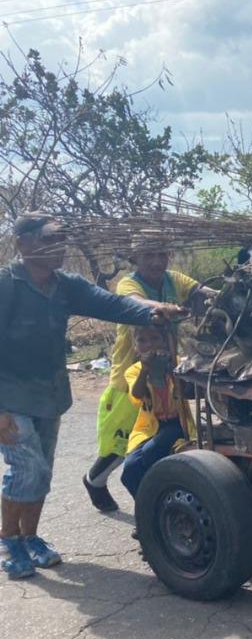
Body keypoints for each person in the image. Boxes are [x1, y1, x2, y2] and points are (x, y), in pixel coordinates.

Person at [0, 213, 184, 580]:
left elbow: (112, 304)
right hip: (10, 395)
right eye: (50, 239)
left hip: (49, 392)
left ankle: (31, 536)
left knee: (43, 472)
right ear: (23, 244)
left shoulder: (64, 285)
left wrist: (154, 312)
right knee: (27, 469)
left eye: (62, 240)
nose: (60, 248)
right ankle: (9, 541)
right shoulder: (7, 285)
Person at [84, 240, 200, 513]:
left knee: (164, 438)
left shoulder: (174, 279)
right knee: (121, 443)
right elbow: (135, 302)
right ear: (136, 257)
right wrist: (161, 307)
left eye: (162, 254)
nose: (158, 261)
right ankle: (95, 481)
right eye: (149, 255)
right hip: (130, 377)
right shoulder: (128, 283)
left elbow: (199, 291)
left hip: (166, 374)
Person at [119, 325, 195, 499]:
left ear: (165, 342)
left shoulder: (178, 362)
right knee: (129, 470)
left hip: (178, 424)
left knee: (150, 453)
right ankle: (147, 510)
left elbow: (188, 393)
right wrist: (145, 369)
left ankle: (160, 499)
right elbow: (136, 395)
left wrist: (171, 369)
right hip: (150, 427)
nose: (149, 345)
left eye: (155, 339)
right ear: (135, 346)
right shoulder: (134, 370)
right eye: (142, 340)